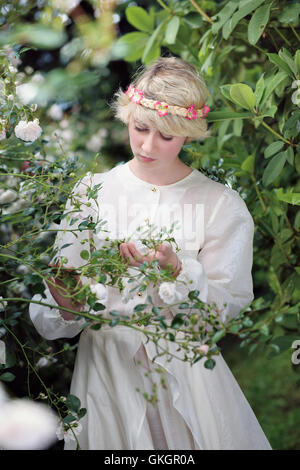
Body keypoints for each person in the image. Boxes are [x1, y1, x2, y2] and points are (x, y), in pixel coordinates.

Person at [29, 56, 272, 450]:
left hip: (189, 381)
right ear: (127, 116)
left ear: (188, 135)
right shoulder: (93, 194)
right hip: (106, 375)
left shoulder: (218, 204)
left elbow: (226, 306)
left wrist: (178, 271)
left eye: (166, 136)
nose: (147, 145)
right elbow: (58, 308)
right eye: (140, 128)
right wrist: (67, 303)